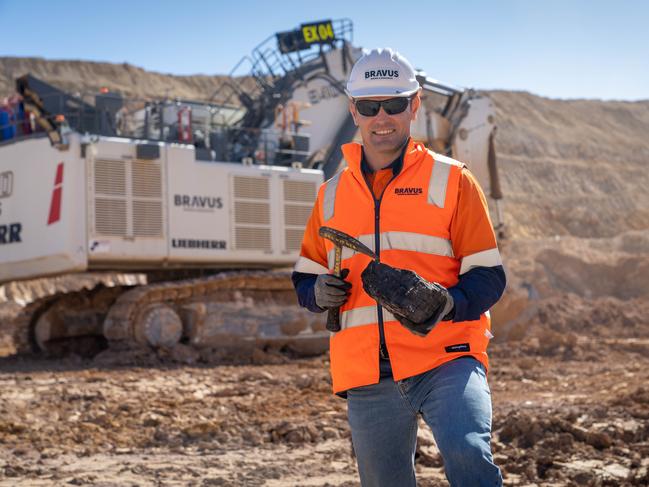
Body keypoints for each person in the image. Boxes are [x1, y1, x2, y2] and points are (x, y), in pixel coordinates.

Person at [292, 48, 506, 486]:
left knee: (468, 454)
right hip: (368, 374)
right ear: (354, 110)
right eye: (370, 106)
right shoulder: (330, 196)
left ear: (414, 105)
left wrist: (448, 303)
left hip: (447, 359)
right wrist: (316, 293)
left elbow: (489, 275)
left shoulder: (453, 180)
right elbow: (303, 274)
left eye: (394, 104)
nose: (382, 116)